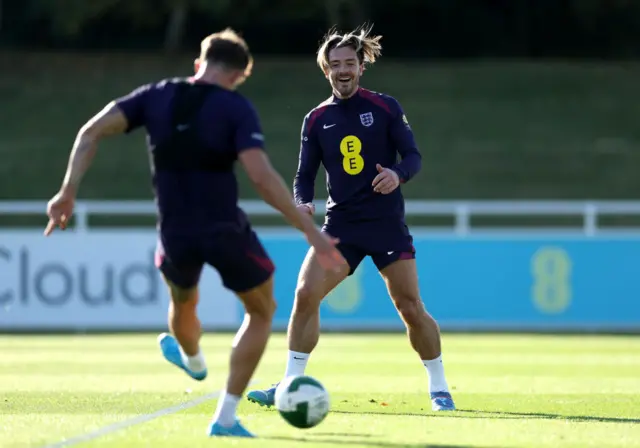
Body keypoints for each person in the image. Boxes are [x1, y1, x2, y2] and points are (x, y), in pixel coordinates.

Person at [44, 28, 347, 438]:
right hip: (223, 227)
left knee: (183, 302)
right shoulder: (235, 108)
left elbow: (90, 133)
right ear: (240, 74)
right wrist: (311, 232)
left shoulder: (155, 96)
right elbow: (260, 176)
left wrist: (67, 191)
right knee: (261, 310)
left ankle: (193, 358)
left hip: (174, 231)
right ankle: (224, 418)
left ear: (198, 64)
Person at [247, 25, 456, 412]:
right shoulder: (315, 119)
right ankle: (290, 383)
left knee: (409, 305)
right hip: (340, 226)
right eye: (334, 64)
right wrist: (303, 202)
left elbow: (413, 157)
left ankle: (439, 386)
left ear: (361, 66)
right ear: (325, 70)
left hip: (385, 224)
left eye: (349, 62)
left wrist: (397, 175)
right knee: (305, 295)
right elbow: (304, 175)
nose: (342, 70)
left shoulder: (386, 107)